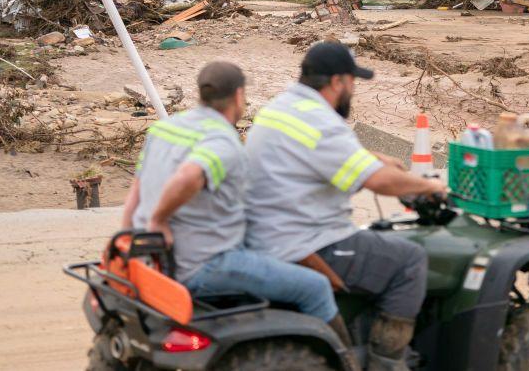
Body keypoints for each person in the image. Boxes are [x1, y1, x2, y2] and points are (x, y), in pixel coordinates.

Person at [245, 42, 447, 371]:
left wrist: (378, 159)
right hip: (305, 242)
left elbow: (321, 154)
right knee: (409, 260)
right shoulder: (323, 123)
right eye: (353, 83)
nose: (352, 91)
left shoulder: (282, 107)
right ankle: (386, 363)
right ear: (338, 82)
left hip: (265, 233)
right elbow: (379, 182)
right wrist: (429, 185)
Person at [120, 61, 348, 342]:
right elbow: (189, 176)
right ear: (239, 96)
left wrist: (131, 240)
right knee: (316, 287)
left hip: (156, 263)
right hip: (206, 264)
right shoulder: (223, 143)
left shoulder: (164, 129)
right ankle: (348, 360)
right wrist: (159, 220)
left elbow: (134, 196)